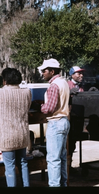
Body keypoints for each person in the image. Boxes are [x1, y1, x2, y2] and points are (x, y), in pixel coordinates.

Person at [0, 68, 32, 187]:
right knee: (23, 163)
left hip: (6, 135)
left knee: (9, 166)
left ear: (4, 81)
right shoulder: (27, 92)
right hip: (22, 134)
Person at [37, 58, 70, 187]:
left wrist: (41, 106)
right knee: (61, 158)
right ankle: (63, 184)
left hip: (56, 122)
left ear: (52, 71)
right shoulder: (64, 82)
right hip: (64, 121)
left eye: (44, 71)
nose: (42, 73)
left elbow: (49, 109)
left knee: (53, 159)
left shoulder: (54, 85)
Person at [67, 66, 85, 174]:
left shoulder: (81, 87)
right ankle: (65, 167)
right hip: (69, 119)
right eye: (79, 73)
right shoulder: (67, 85)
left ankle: (69, 165)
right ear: (72, 74)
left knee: (72, 144)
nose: (81, 75)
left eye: (82, 73)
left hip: (77, 119)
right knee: (67, 144)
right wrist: (69, 93)